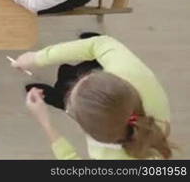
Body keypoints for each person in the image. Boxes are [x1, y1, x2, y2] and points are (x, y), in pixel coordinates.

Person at [11, 35, 172, 159]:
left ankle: (58, 97)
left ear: (89, 132)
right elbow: (99, 43)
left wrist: (45, 122)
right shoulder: (130, 70)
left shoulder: (103, 156)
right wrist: (37, 58)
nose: (80, 78)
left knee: (65, 78)